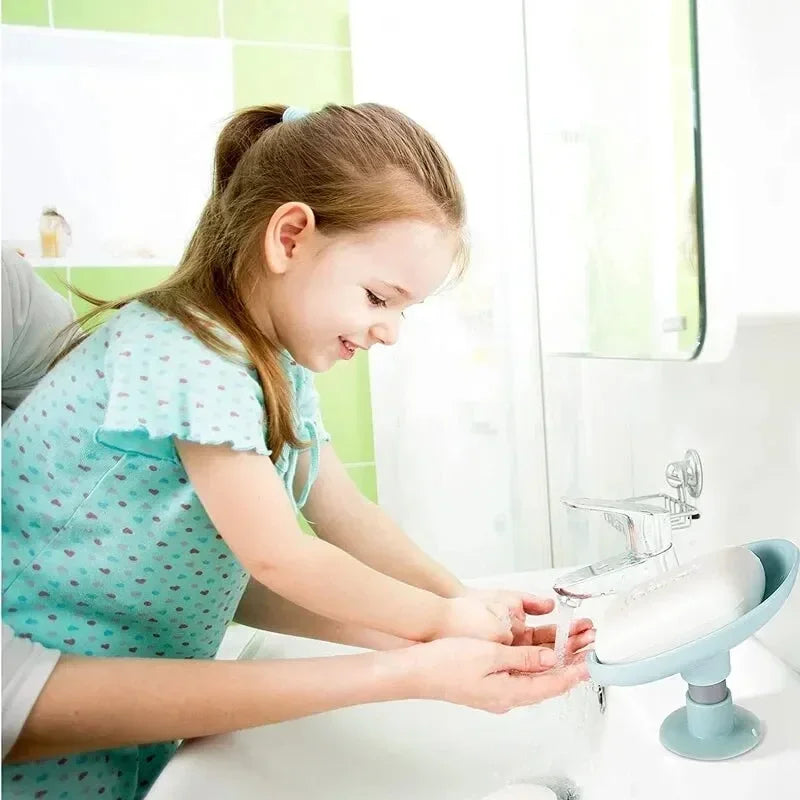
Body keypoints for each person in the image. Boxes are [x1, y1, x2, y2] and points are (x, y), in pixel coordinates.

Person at [1, 104, 593, 799]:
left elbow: (345, 513)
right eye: (379, 297)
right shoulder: (188, 353)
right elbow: (282, 555)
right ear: (289, 237)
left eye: (406, 309)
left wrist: (463, 602)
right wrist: (437, 623)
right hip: (47, 703)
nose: (390, 331)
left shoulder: (272, 366)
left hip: (130, 706)